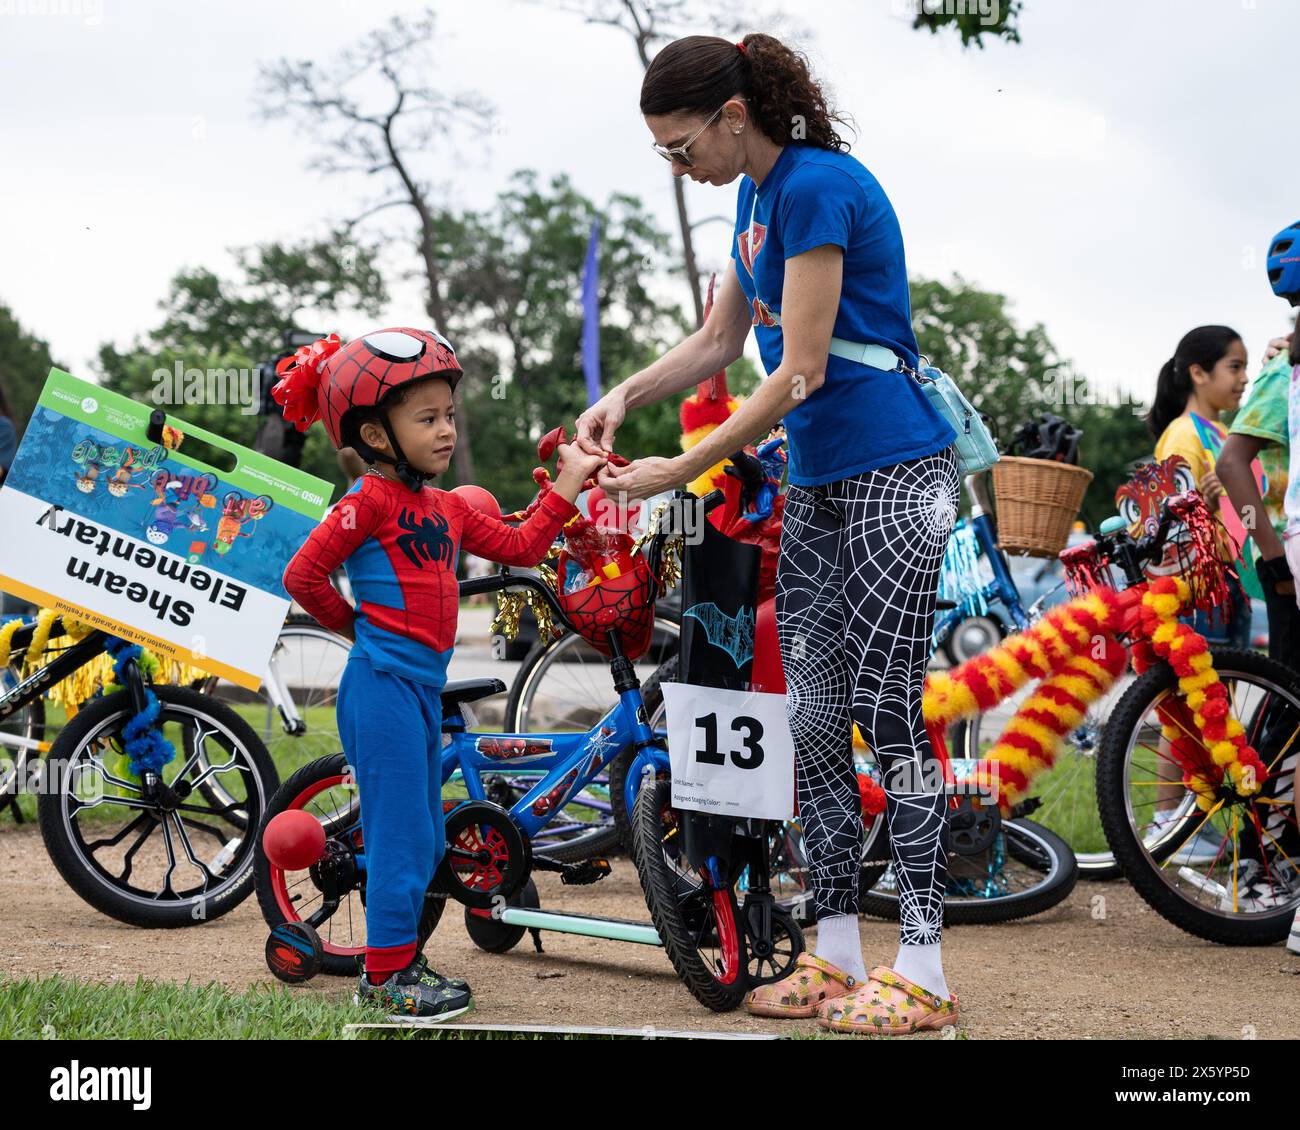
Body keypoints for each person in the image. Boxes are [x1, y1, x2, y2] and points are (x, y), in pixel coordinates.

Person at [575, 33, 960, 1035]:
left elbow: (802, 372)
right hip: (821, 477)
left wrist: (687, 465)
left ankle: (922, 964)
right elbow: (717, 342)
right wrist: (626, 393)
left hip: (897, 473)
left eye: (679, 143)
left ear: (734, 116)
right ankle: (836, 953)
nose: (676, 163)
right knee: (813, 713)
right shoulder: (753, 201)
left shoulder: (816, 187)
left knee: (888, 707)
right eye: (662, 150)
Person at [276, 327, 605, 1021]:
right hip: (381, 689)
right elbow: (302, 573)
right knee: (400, 840)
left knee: (426, 837)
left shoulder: (448, 508)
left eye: (448, 414)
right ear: (374, 431)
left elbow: (520, 545)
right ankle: (387, 981)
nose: (446, 430)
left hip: (420, 692)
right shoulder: (366, 501)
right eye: (426, 419)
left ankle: (400, 957)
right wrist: (354, 629)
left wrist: (571, 478)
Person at [1219, 220, 1300, 673]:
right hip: (1285, 553)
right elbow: (1232, 465)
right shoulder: (1283, 368)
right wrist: (1272, 559)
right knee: (1287, 712)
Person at [1144, 325, 1252, 649]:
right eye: (1235, 367)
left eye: (1245, 367)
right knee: (1203, 690)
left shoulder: (1221, 432)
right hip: (1200, 585)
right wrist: (1210, 502)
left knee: (1228, 688)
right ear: (1198, 373)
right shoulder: (1182, 435)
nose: (1244, 378)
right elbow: (1170, 524)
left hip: (1228, 576)